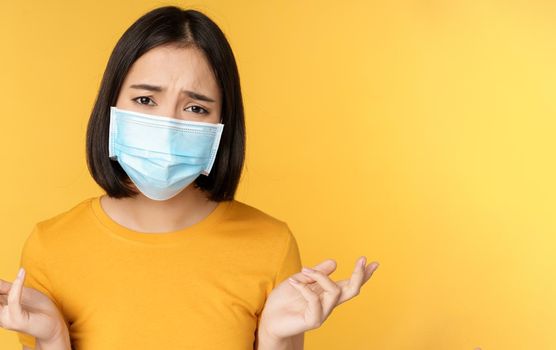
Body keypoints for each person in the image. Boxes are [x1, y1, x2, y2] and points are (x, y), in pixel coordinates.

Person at [0, 6, 379, 350]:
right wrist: (52, 338)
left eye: (196, 107)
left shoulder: (272, 244)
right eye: (146, 100)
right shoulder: (51, 246)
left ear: (222, 127)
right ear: (112, 105)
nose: (167, 125)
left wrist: (274, 339)